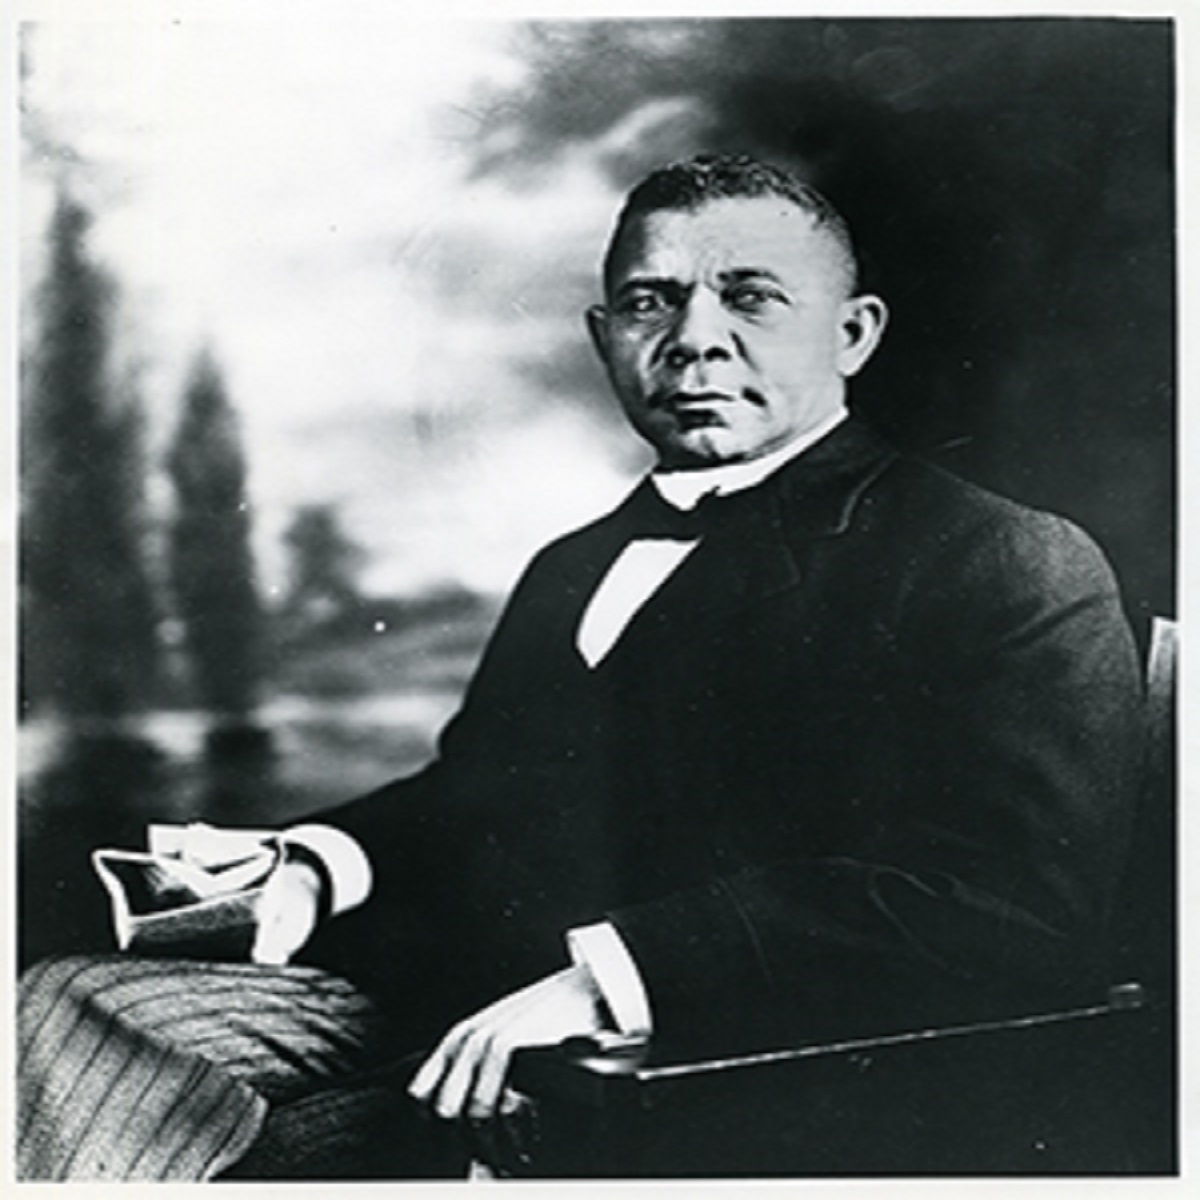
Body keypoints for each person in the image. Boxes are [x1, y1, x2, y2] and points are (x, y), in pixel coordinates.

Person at [17, 154, 1143, 1180]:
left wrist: (613, 979)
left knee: (243, 1154)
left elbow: (1014, 909)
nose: (695, 339)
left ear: (852, 334)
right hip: (451, 1007)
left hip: (698, 1066)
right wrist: (311, 864)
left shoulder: (994, 558)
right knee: (61, 1007)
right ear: (604, 336)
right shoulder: (576, 563)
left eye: (751, 296)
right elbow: (482, 798)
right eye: (652, 302)